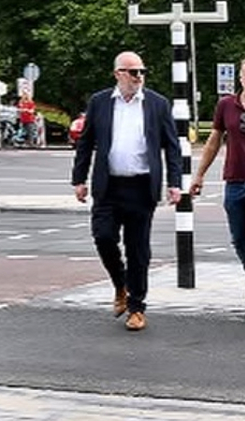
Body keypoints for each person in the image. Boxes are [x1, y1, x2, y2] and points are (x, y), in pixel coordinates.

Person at [70, 51, 181, 332]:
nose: (139, 77)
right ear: (118, 73)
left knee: (138, 248)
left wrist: (174, 182)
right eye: (133, 72)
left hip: (141, 186)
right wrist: (79, 179)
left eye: (142, 72)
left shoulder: (157, 104)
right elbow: (86, 143)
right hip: (108, 185)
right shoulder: (100, 102)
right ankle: (121, 285)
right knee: (103, 236)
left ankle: (136, 307)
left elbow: (172, 146)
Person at [190, 56, 245, 319]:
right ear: (240, 78)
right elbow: (215, 140)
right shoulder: (226, 105)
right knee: (240, 241)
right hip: (234, 182)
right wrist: (200, 175)